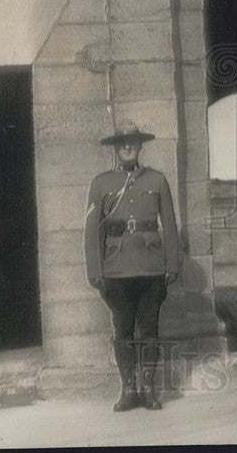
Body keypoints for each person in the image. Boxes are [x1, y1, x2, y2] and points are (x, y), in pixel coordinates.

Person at [84, 121, 180, 411]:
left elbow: (170, 226)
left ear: (140, 146)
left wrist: (171, 264)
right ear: (115, 147)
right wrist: (95, 270)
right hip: (116, 270)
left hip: (151, 268)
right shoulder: (101, 183)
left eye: (133, 141)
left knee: (149, 330)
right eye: (122, 142)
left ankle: (148, 389)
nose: (127, 146)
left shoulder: (157, 180)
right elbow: (92, 230)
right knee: (123, 330)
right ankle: (129, 390)